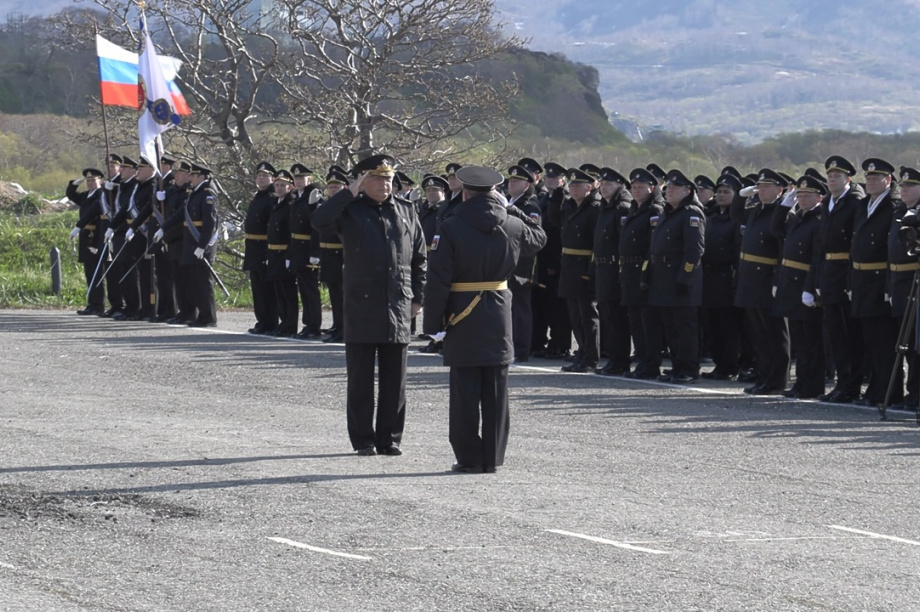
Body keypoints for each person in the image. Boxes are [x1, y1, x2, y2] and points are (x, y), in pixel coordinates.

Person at [424, 166, 546, 473]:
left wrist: (433, 324)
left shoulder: (452, 226)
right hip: (498, 311)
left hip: (462, 311)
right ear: (496, 193)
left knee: (465, 390)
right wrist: (510, 209)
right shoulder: (513, 224)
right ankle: (492, 457)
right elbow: (539, 239)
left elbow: (438, 279)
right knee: (496, 388)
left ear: (464, 192)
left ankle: (468, 457)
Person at [311, 154, 427, 456]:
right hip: (362, 302)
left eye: (388, 179)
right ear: (363, 181)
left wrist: (418, 297)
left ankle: (390, 439)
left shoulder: (406, 210)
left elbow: (419, 257)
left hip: (398, 303)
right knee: (361, 379)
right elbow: (320, 221)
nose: (385, 184)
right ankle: (363, 439)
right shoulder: (350, 210)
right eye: (377, 178)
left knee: (395, 381)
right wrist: (349, 192)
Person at [806, 156, 865, 403]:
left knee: (850, 334)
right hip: (829, 271)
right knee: (835, 334)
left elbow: (856, 242)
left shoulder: (854, 202)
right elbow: (820, 245)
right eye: (829, 176)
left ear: (847, 179)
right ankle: (842, 383)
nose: (831, 179)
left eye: (837, 176)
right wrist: (816, 280)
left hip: (845, 271)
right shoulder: (828, 202)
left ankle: (852, 385)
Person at [733, 168, 791, 395]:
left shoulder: (780, 212)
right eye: (760, 186)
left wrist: (778, 279)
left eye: (767, 186)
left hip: (766, 276)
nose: (761, 190)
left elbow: (779, 249)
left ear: (779, 190)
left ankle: (777, 379)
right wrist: (741, 195)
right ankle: (764, 375)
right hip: (750, 278)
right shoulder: (757, 209)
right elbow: (736, 216)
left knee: (773, 333)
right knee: (757, 332)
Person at [850, 158, 901, 407]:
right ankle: (875, 389)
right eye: (868, 179)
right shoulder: (865, 205)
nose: (870, 182)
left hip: (880, 278)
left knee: (883, 340)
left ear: (888, 181)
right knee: (869, 338)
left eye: (876, 179)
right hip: (862, 279)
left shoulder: (892, 206)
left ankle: (887, 391)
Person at [646, 169, 705, 383]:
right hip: (663, 277)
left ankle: (689, 369)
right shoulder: (667, 212)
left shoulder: (691, 213)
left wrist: (685, 277)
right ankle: (678, 365)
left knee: (684, 327)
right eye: (667, 187)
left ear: (687, 191)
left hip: (681, 277)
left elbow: (694, 250)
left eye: (674, 188)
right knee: (670, 326)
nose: (668, 191)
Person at [772, 175, 826, 398]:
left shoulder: (819, 220)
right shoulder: (798, 218)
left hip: (805, 281)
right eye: (800, 195)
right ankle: (801, 382)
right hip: (790, 282)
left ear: (819, 198)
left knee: (811, 340)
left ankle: (812, 384)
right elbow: (776, 230)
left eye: (807, 195)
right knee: (800, 340)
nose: (802, 199)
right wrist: (785, 205)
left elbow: (817, 257)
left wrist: (810, 287)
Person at [547, 167, 601, 372]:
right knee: (575, 316)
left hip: (584, 266)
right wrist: (559, 193)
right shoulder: (571, 206)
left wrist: (591, 270)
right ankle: (581, 352)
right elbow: (554, 218)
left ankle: (591, 357)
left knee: (588, 316)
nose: (574, 189)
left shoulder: (594, 209)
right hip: (569, 266)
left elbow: (597, 243)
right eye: (572, 185)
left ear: (588, 187)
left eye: (578, 185)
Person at [155, 162, 220, 327]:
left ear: (202, 177)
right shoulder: (194, 193)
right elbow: (180, 215)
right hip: (190, 244)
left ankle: (208, 317)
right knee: (192, 282)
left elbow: (209, 224)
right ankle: (197, 315)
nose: (190, 178)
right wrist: (164, 229)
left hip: (199, 244)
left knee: (203, 282)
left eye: (194, 175)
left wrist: (203, 246)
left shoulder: (207, 194)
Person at [620, 167, 665, 379]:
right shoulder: (634, 209)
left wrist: (646, 273)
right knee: (635, 320)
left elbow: (652, 245)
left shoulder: (654, 210)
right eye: (634, 187)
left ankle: (651, 363)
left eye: (641, 187)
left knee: (648, 322)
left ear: (652, 188)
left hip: (643, 269)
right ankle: (642, 361)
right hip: (629, 270)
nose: (636, 190)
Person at [700, 172, 743, 380]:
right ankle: (719, 364)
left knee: (729, 326)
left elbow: (737, 253)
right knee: (712, 325)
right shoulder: (711, 217)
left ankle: (730, 365)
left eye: (726, 192)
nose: (720, 195)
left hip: (727, 278)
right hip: (709, 278)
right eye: (718, 192)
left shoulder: (736, 219)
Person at [592, 166, 633, 375]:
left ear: (619, 185)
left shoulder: (622, 208)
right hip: (603, 268)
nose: (604, 187)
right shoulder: (605, 207)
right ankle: (614, 358)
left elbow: (622, 244)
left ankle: (620, 360)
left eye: (609, 184)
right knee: (608, 315)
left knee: (617, 318)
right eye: (603, 183)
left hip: (615, 268)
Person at [505, 164, 542, 362]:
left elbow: (534, 239)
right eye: (510, 181)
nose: (511, 184)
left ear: (527, 185)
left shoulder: (530, 207)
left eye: (516, 181)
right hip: (508, 262)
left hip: (522, 265)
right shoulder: (510, 202)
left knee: (520, 308)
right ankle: (512, 344)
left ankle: (521, 348)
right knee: (510, 308)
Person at [288, 163, 324, 340]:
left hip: (308, 248)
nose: (299, 181)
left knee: (310, 290)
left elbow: (317, 227)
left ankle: (314, 325)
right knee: (304, 289)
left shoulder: (313, 196)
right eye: (296, 178)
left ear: (309, 179)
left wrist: (315, 253)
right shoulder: (297, 197)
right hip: (297, 249)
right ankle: (307, 324)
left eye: (302, 178)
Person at [243, 162, 279, 335]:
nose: (261, 178)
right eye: (259, 176)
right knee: (257, 287)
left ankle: (270, 321)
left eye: (265, 176)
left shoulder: (272, 197)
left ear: (272, 178)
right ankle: (262, 320)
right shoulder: (258, 196)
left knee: (267, 288)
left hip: (264, 247)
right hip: (253, 248)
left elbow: (272, 226)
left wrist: (268, 251)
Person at [66, 167, 107, 315]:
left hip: (96, 234)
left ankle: (98, 304)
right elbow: (70, 195)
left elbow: (94, 213)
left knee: (96, 271)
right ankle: (92, 303)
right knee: (89, 271)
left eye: (93, 180)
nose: (90, 183)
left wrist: (79, 228)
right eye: (88, 181)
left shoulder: (101, 195)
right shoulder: (86, 196)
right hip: (85, 235)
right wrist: (74, 183)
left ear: (100, 181)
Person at [316, 168, 349, 343]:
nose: (334, 190)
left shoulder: (345, 207)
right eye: (331, 187)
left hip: (341, 254)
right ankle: (337, 326)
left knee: (343, 295)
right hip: (328, 254)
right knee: (334, 294)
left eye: (337, 186)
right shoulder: (326, 206)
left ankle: (345, 328)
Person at [266, 169, 299, 337]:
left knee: (288, 291)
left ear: (290, 186)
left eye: (282, 185)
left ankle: (290, 324)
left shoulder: (291, 204)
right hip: (273, 253)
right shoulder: (276, 202)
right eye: (277, 185)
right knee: (279, 290)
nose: (278, 188)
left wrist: (289, 255)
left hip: (284, 252)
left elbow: (290, 232)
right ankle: (283, 321)